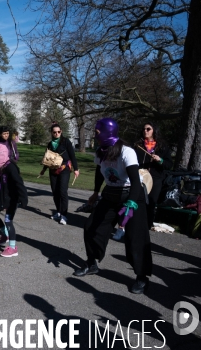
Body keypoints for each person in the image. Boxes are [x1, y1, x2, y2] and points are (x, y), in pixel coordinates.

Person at [74, 118, 152, 295]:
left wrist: (131, 204)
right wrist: (95, 192)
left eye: (98, 131)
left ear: (108, 131)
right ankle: (92, 263)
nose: (96, 133)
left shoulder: (127, 152)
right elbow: (99, 173)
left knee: (135, 237)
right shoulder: (101, 151)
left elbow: (135, 182)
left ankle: (141, 277)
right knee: (92, 227)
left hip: (132, 194)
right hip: (111, 194)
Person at [0, 128, 29, 257]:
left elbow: (19, 183)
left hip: (13, 198)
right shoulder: (1, 168)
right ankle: (5, 234)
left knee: (8, 220)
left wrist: (23, 199)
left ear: (2, 156)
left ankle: (13, 247)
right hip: (3, 196)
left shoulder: (10, 167)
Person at [133, 122, 173, 231]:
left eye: (148, 129)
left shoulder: (162, 147)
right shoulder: (138, 145)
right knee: (137, 200)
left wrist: (160, 160)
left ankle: (146, 226)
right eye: (144, 129)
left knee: (151, 201)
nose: (145, 131)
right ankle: (134, 224)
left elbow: (169, 164)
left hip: (156, 178)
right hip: (140, 176)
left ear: (154, 130)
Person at [39, 124, 80, 225]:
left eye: (58, 132)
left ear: (61, 132)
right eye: (54, 132)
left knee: (62, 191)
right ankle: (58, 211)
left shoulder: (66, 142)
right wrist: (44, 169)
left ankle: (64, 215)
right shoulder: (50, 144)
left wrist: (76, 169)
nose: (56, 134)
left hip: (64, 169)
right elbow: (47, 159)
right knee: (55, 192)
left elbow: (72, 155)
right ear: (51, 133)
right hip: (52, 170)